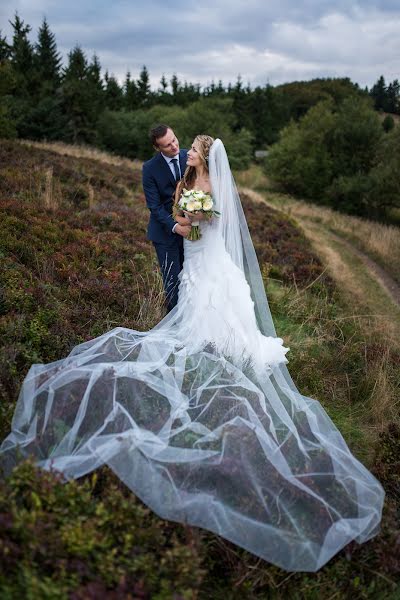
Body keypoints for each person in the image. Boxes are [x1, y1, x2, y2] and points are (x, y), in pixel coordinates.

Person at [0, 137, 384, 573]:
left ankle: (226, 343)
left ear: (204, 154)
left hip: (205, 254)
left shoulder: (210, 184)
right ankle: (214, 339)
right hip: (194, 254)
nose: (189, 154)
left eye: (193, 150)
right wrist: (181, 218)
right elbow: (185, 216)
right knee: (192, 305)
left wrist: (185, 220)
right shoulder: (188, 176)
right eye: (186, 149)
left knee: (209, 308)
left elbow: (200, 221)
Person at [142, 124, 190, 311]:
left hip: (192, 232)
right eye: (167, 145)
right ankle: (175, 326)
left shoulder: (191, 157)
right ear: (157, 148)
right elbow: (154, 206)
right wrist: (176, 227)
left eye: (174, 140)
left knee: (192, 279)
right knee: (173, 283)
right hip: (164, 233)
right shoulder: (149, 168)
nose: (174, 146)